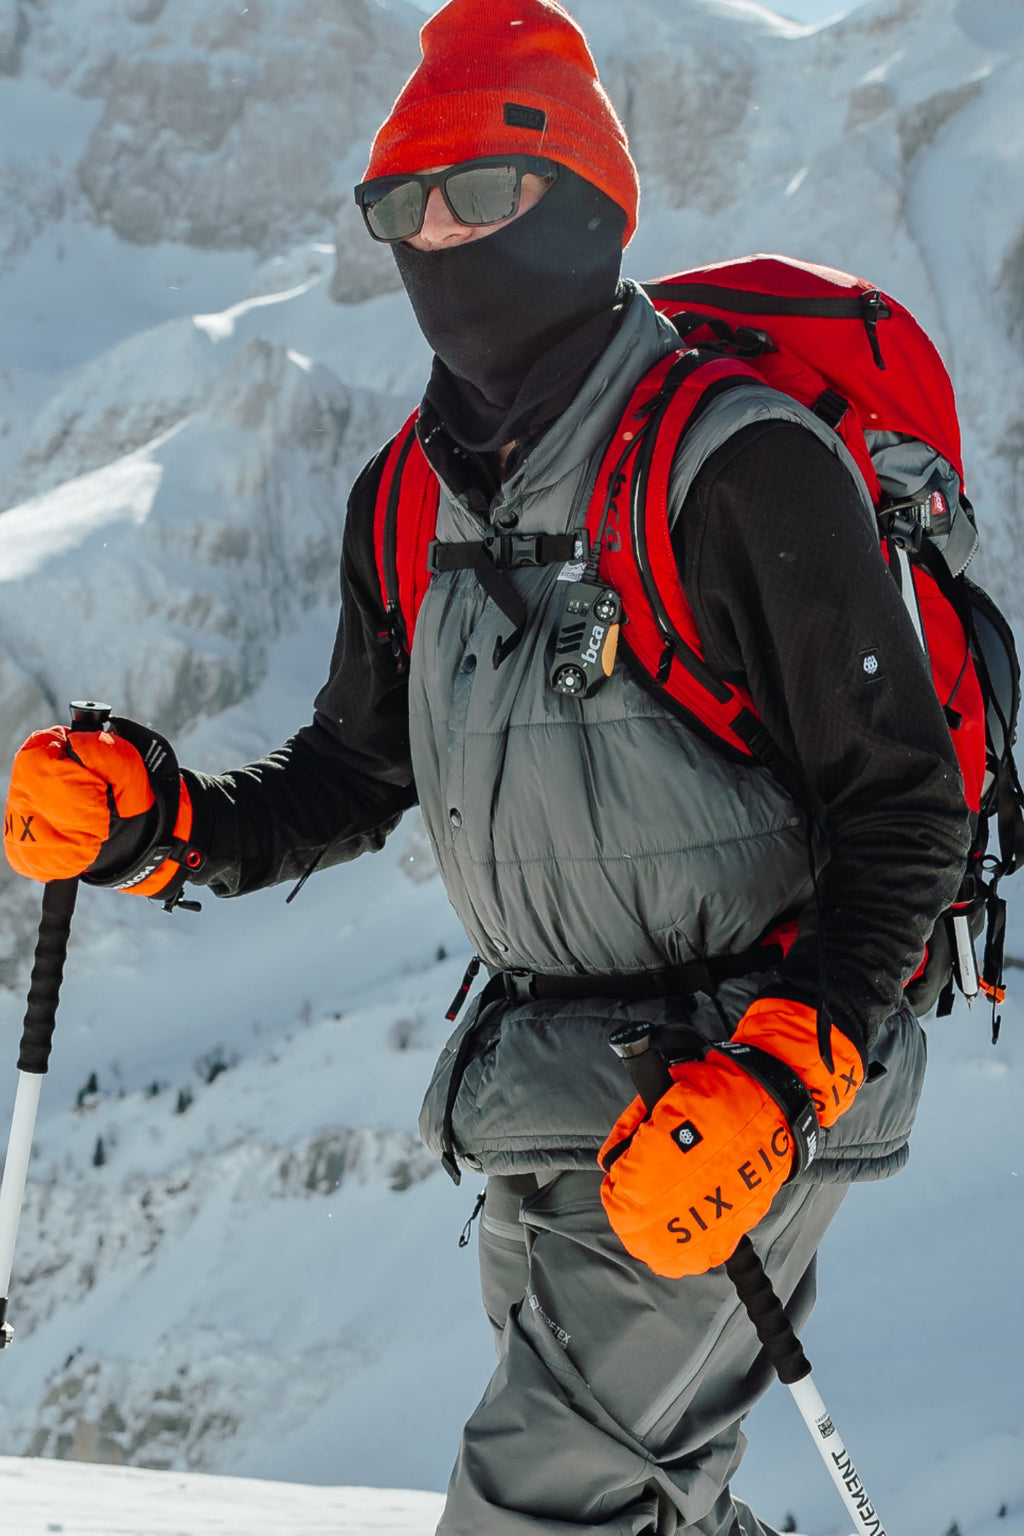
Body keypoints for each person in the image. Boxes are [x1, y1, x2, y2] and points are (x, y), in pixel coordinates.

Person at [4, 2, 971, 1532]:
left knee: (541, 1504)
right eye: (407, 205)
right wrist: (159, 820)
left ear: (584, 204)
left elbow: (906, 802)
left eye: (477, 194)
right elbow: (349, 774)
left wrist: (786, 1071)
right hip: (547, 1088)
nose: (437, 236)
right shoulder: (408, 497)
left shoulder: (737, 459)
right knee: (641, 1499)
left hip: (744, 1081)